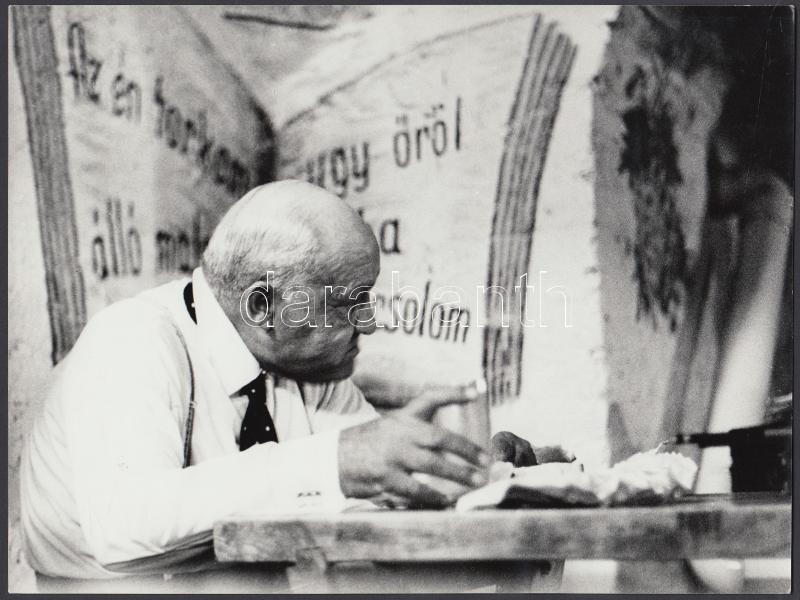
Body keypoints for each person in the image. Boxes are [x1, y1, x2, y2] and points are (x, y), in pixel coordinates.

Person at [21, 180, 568, 585]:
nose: (369, 322)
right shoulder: (134, 339)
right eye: (349, 302)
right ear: (262, 306)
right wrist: (335, 461)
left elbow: (378, 500)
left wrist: (479, 478)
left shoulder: (311, 367)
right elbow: (124, 527)